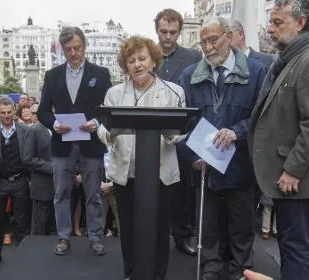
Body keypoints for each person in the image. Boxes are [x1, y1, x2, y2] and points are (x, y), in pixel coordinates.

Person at [248, 0, 309, 279]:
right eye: (271, 22)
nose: (271, 29)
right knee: (289, 245)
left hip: (296, 177)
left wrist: (293, 169)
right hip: (285, 174)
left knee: (296, 247)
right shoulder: (290, 58)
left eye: (278, 22)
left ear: (300, 24)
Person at [179, 16, 267, 280]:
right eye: (203, 41)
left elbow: (261, 117)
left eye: (213, 39)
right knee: (208, 224)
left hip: (240, 164)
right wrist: (194, 156)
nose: (207, 47)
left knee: (241, 225)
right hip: (205, 166)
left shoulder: (256, 71)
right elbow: (185, 122)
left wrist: (237, 131)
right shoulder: (190, 75)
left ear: (229, 36)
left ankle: (242, 270)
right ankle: (211, 267)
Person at [97, 35, 184, 279]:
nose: (137, 64)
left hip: (161, 173)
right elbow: (103, 130)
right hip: (126, 173)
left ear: (154, 61)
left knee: (159, 228)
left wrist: (171, 135)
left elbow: (181, 132)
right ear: (125, 66)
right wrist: (110, 134)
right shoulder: (114, 93)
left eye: (142, 58)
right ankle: (131, 273)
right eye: (131, 60)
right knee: (129, 228)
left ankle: (158, 274)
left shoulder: (173, 92)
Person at [38, 26, 112, 256]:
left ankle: (95, 236)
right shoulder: (52, 75)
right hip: (63, 144)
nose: (73, 53)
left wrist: (96, 123)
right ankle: (63, 237)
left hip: (90, 143)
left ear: (85, 46)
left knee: (94, 194)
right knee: (61, 193)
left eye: (77, 48)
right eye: (68, 49)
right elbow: (42, 112)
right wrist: (54, 125)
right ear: (62, 49)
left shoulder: (100, 74)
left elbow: (108, 109)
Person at [154, 8, 202, 256]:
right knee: (154, 190)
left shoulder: (194, 56)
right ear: (157, 30)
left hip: (181, 137)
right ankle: (154, 236)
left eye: (173, 32)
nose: (168, 37)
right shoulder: (147, 55)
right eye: (163, 32)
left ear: (179, 32)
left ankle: (182, 236)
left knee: (183, 191)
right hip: (150, 136)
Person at [0, 97, 28, 269]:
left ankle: (22, 254)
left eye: (9, 112)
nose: (6, 116)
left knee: (21, 219)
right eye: (2, 113)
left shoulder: (25, 130)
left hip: (20, 179)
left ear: (14, 110)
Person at [23, 118, 55, 236]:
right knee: (40, 229)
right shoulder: (34, 130)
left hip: (63, 188)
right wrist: (53, 168)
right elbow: (28, 159)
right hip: (42, 187)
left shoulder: (64, 129)